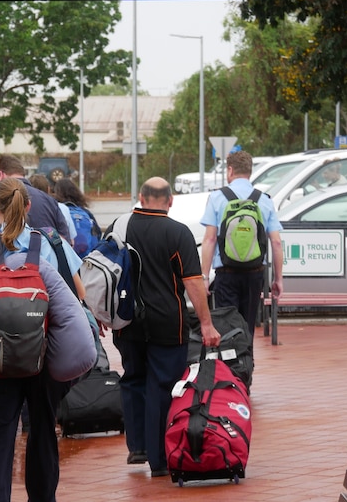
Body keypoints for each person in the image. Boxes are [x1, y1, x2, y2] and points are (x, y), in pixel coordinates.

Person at [0, 176, 88, 502]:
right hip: (41, 356)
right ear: (29, 206)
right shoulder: (49, 243)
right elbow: (76, 292)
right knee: (43, 429)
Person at [109, 177, 221, 477]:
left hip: (127, 320)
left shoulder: (120, 227)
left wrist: (100, 315)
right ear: (170, 201)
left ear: (140, 198)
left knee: (132, 379)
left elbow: (102, 273)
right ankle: (159, 459)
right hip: (168, 324)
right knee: (163, 385)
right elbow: (193, 282)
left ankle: (138, 447)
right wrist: (207, 324)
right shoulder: (178, 232)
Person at [201, 150, 284, 336]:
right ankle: (247, 363)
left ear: (230, 170)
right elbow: (276, 243)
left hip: (226, 273)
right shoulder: (264, 200)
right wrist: (277, 279)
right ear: (250, 172)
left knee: (227, 329)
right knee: (247, 328)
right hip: (254, 274)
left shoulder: (216, 198)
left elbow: (210, 239)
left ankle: (230, 364)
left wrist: (204, 278)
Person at [0, 155, 70, 252]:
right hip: (44, 273)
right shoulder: (49, 201)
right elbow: (64, 242)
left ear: (1, 174)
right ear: (28, 206)